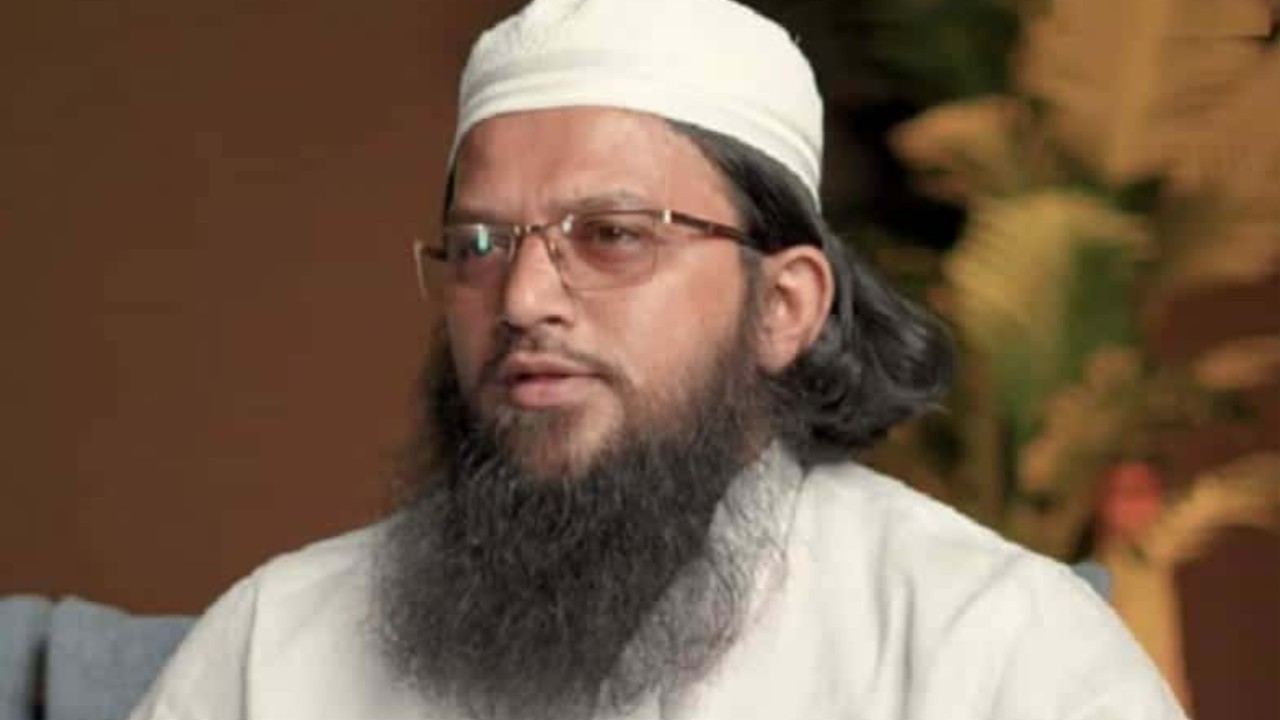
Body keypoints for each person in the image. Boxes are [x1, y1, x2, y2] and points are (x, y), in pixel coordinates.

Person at [129, 0, 1187, 718]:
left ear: (783, 306)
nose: (523, 299)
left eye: (612, 235)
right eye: (481, 244)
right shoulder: (275, 644)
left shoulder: (986, 646)